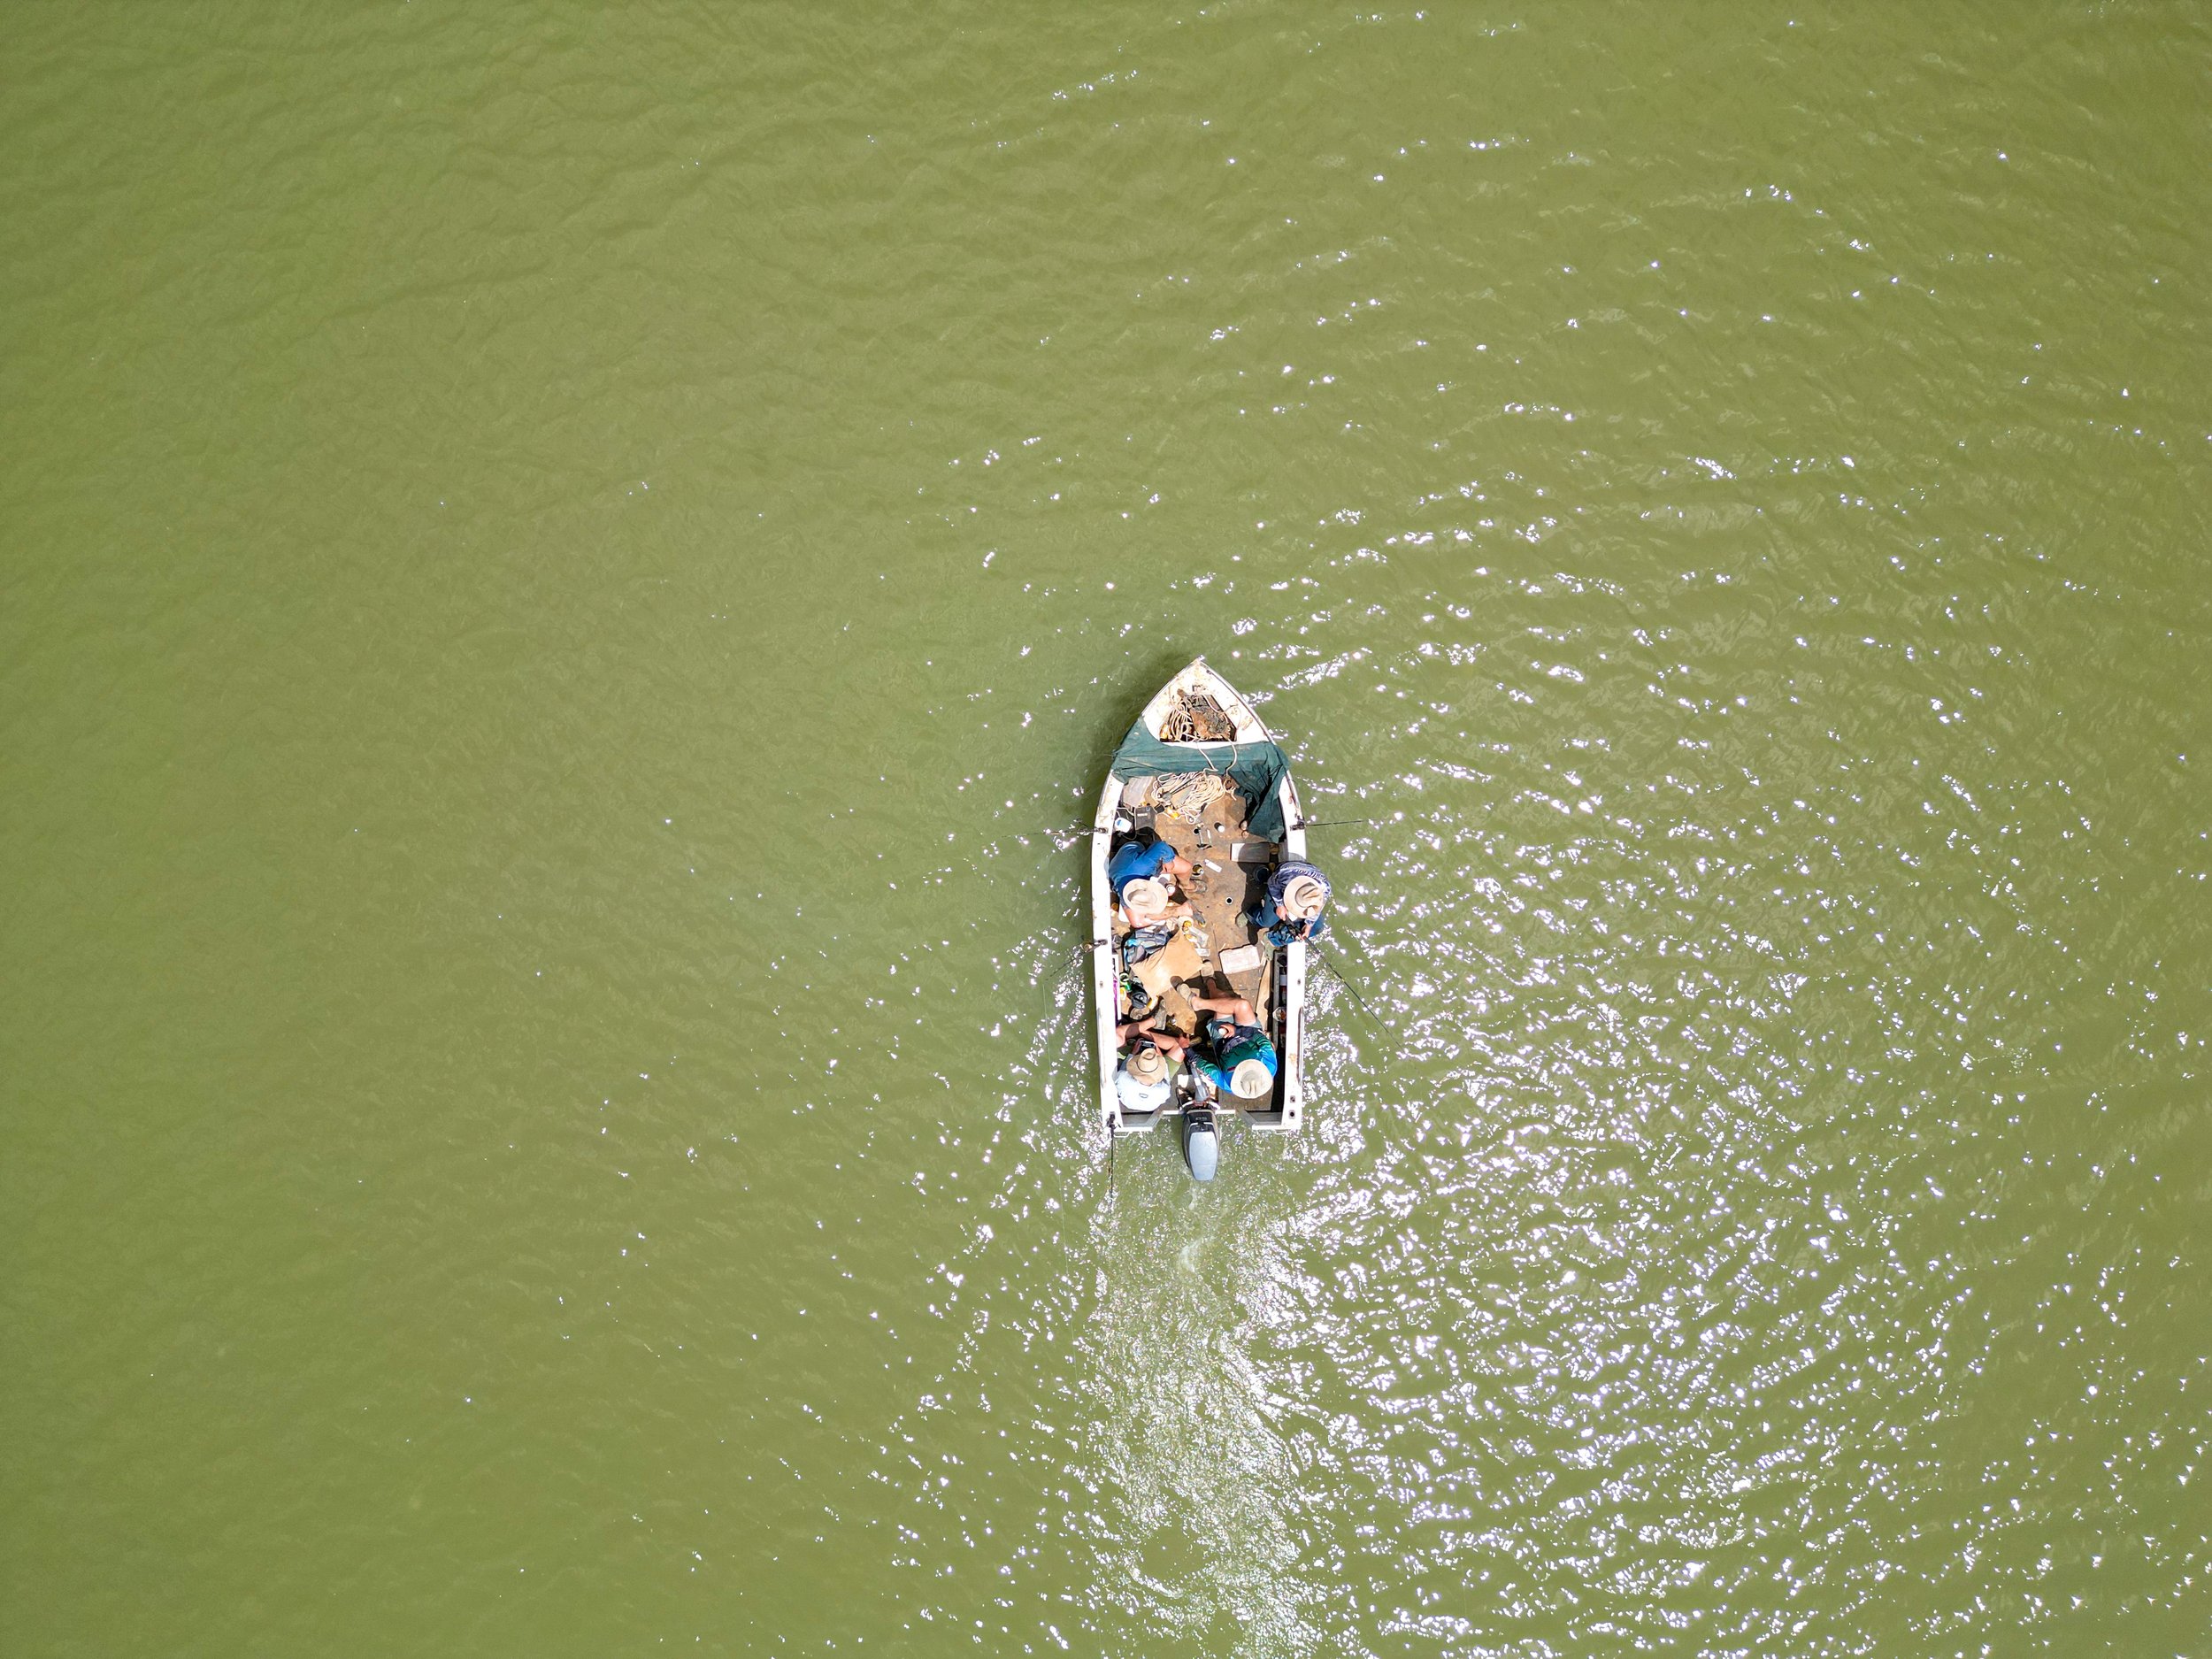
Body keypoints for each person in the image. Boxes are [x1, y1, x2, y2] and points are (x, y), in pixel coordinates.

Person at [1184, 991, 1278, 1103]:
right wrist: (1238, 1031)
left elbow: (1207, 1068)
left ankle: (1211, 986)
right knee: (1242, 1005)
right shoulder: (1270, 1065)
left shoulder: (1228, 1084)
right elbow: (1261, 1038)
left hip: (1224, 1043)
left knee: (1221, 999)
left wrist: (1187, 1050)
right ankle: (1200, 1002)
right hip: (1248, 1033)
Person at [1108, 834, 1194, 926]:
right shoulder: (1127, 895)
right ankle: (1178, 910)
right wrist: (1177, 911)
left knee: (1186, 868)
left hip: (1135, 857)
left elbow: (1161, 846)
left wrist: (1168, 861)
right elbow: (1138, 922)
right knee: (1138, 922)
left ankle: (1185, 885)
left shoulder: (1144, 864)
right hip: (1121, 871)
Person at [1248, 859, 1331, 948]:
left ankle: (1274, 939)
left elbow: (1317, 909)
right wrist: (1280, 905)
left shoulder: (1324, 890)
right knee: (1266, 922)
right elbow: (1272, 884)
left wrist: (1308, 925)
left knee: (1318, 927)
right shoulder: (1286, 875)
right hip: (1281, 886)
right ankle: (1252, 913)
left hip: (1299, 889)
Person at [1113, 1020, 1188, 1114]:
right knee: (1182, 1046)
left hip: (1128, 1099)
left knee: (1117, 1035)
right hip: (1150, 1096)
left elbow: (1124, 1067)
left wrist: (1132, 1054)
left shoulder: (1123, 1079)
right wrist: (1159, 1053)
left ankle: (1147, 1026)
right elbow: (1165, 1074)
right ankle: (1147, 1030)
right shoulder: (1163, 1090)